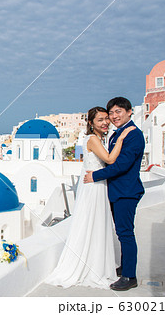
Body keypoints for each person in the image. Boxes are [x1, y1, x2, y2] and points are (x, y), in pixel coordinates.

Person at [44, 106, 135, 289]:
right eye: (100, 120)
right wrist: (122, 138)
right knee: (92, 222)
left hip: (98, 184)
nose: (105, 122)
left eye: (106, 119)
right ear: (91, 123)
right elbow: (109, 160)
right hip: (94, 187)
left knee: (96, 224)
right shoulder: (93, 139)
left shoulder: (99, 138)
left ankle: (97, 263)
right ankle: (94, 266)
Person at [84, 97, 145, 291]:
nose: (113, 116)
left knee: (125, 233)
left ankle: (130, 276)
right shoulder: (115, 134)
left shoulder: (134, 135)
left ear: (129, 112)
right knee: (121, 232)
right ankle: (124, 267)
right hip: (115, 191)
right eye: (111, 113)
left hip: (126, 192)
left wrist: (95, 176)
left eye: (118, 111)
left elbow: (121, 165)